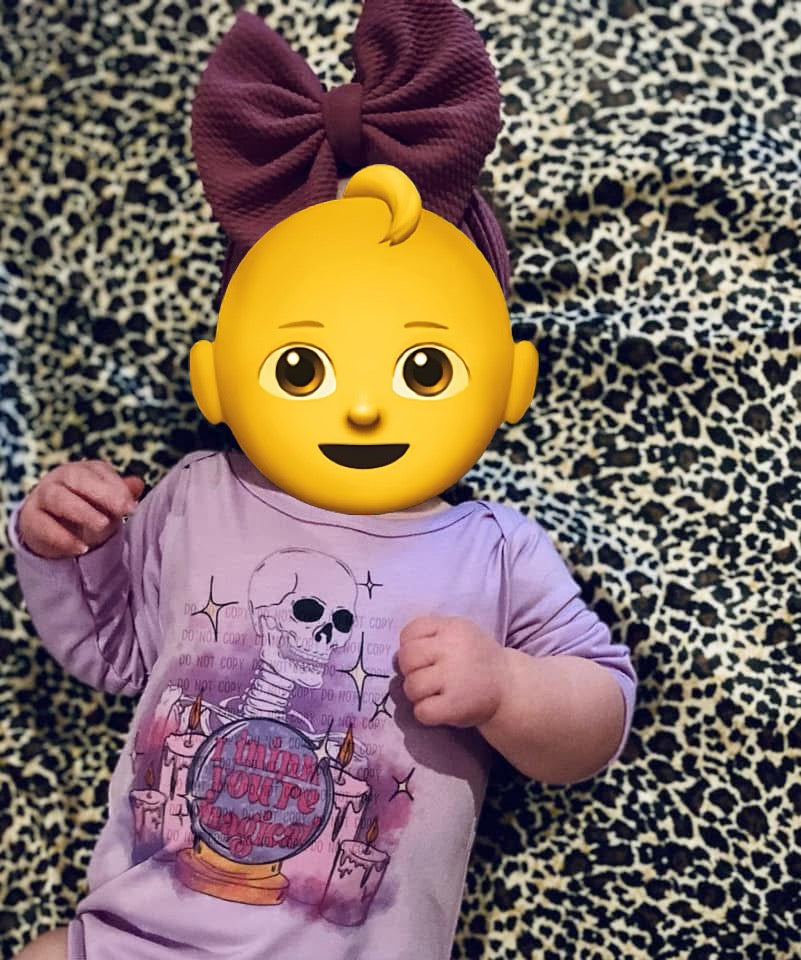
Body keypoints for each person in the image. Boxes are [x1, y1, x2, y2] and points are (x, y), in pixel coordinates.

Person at [11, 7, 636, 960]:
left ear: (509, 381)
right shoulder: (193, 496)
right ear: (217, 377)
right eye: (303, 367)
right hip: (137, 936)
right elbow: (110, 651)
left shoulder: (494, 551)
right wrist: (65, 544)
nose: (364, 408)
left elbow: (598, 719)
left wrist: (509, 686)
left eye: (421, 369)